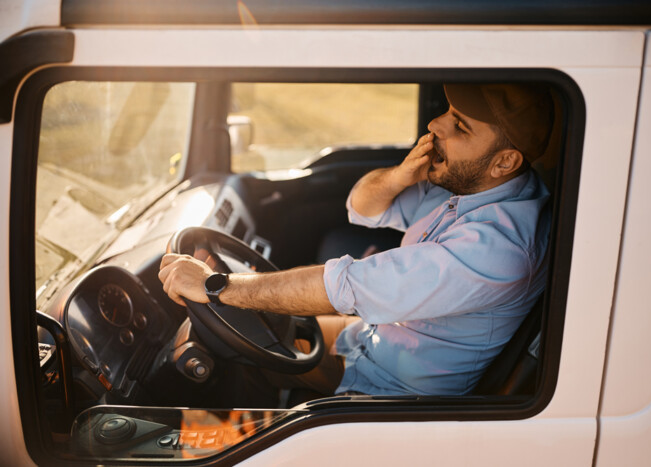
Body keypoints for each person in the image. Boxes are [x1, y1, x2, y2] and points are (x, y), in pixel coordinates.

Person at [158, 83, 554, 397]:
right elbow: (361, 206)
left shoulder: (497, 248)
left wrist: (217, 286)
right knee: (257, 328)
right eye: (449, 112)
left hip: (393, 391)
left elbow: (344, 286)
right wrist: (398, 176)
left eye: (460, 126)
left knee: (235, 363)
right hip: (371, 339)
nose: (436, 125)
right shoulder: (474, 183)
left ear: (505, 161)